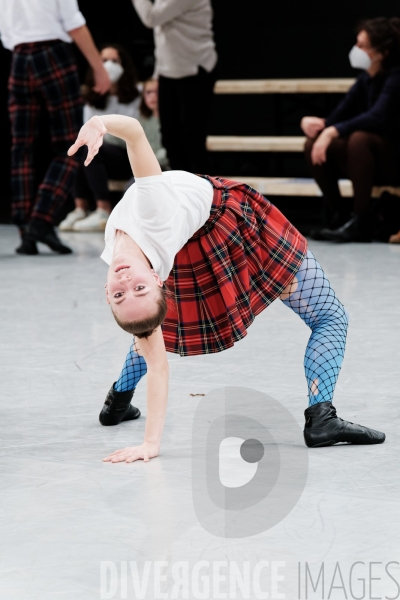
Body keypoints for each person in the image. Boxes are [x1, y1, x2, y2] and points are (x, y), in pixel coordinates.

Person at [68, 114, 386, 464]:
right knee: (330, 316)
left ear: (106, 290)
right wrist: (150, 445)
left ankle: (117, 402)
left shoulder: (123, 254)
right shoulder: (151, 211)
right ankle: (322, 419)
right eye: (138, 289)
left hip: (199, 237)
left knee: (146, 321)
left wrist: (97, 122)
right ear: (160, 280)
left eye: (121, 293)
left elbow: (132, 132)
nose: (127, 283)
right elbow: (135, 133)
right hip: (226, 220)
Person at [0, 0, 111, 254]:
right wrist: (98, 67)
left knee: (22, 148)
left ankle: (26, 228)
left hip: (19, 58)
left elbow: (6, 32)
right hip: (52, 55)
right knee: (72, 143)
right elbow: (74, 24)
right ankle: (41, 219)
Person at [301, 17, 400, 242]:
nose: (356, 50)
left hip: (393, 159)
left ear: (382, 52)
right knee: (313, 143)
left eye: (362, 46)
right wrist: (314, 124)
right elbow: (338, 116)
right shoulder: (365, 80)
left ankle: (362, 220)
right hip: (369, 160)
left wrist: (332, 131)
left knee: (358, 139)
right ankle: (339, 214)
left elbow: (378, 117)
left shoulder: (396, 78)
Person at [59, 44, 140, 232]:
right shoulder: (91, 96)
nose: (109, 66)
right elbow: (88, 130)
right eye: (104, 61)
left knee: (93, 148)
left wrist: (102, 135)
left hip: (126, 154)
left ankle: (103, 209)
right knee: (78, 147)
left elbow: (131, 132)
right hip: (101, 150)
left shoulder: (136, 94)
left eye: (114, 61)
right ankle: (80, 208)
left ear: (124, 65)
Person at [131, 0, 217, 173]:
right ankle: (180, 192)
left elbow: (151, 17)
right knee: (169, 137)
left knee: (192, 139)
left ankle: (205, 194)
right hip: (168, 72)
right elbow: (163, 34)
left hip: (195, 68)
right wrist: (158, 73)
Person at [138, 79, 169, 170]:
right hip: (147, 167)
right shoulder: (143, 121)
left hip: (167, 167)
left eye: (156, 92)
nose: (152, 96)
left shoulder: (174, 121)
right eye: (148, 92)